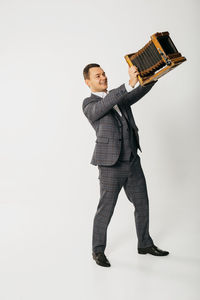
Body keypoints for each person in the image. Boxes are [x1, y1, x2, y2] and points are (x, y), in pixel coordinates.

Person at [82, 63, 169, 267]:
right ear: (88, 82)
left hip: (132, 161)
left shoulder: (118, 97)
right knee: (106, 209)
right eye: (97, 76)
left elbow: (136, 92)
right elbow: (105, 105)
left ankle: (144, 244)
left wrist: (154, 75)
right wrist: (127, 84)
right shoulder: (89, 104)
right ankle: (98, 250)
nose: (103, 77)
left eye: (104, 73)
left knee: (142, 203)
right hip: (110, 165)